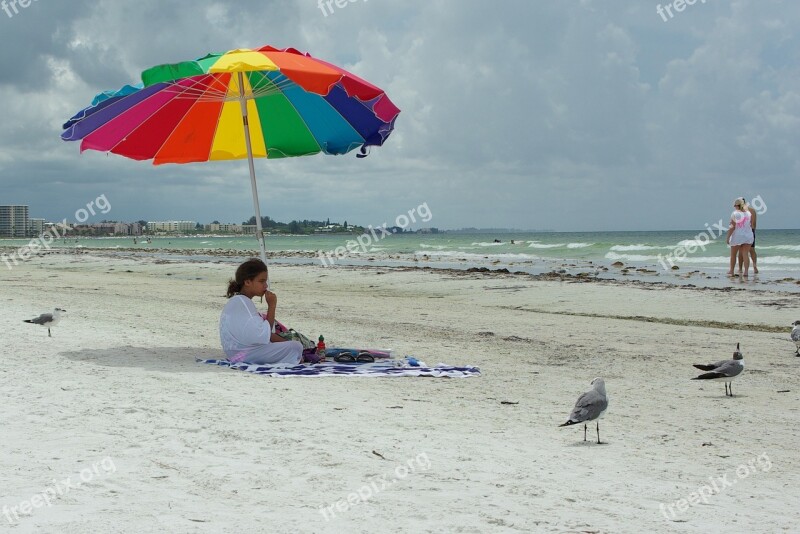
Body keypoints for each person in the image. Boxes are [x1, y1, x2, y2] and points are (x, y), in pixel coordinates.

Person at [219, 258, 303, 365]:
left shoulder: (239, 301)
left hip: (235, 354)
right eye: (261, 281)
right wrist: (272, 306)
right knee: (296, 347)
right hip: (242, 355)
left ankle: (292, 355)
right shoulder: (244, 303)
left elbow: (264, 334)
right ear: (247, 282)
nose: (266, 285)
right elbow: (266, 335)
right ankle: (293, 357)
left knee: (292, 346)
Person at [725, 198, 754, 278]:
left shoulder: (734, 213)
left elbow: (732, 227)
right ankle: (746, 272)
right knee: (745, 254)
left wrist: (728, 237)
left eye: (735, 205)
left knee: (733, 254)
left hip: (737, 236)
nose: (734, 207)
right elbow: (751, 224)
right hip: (748, 235)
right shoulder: (749, 213)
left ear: (737, 205)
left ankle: (731, 270)